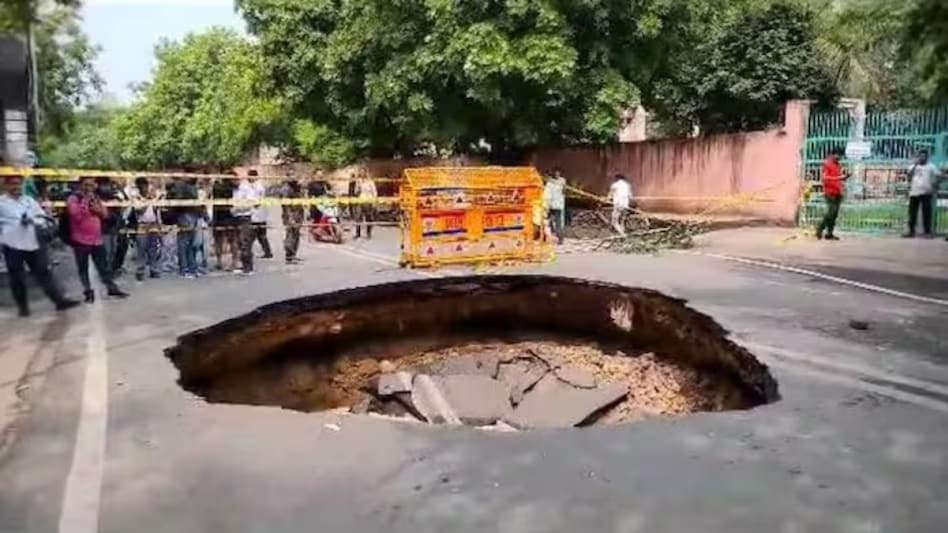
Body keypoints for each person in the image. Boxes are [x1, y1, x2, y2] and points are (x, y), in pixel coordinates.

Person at [0, 175, 79, 317]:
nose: (16, 187)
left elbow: (42, 218)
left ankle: (59, 301)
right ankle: (23, 307)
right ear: (6, 186)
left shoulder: (29, 201)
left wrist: (33, 221)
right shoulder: (1, 203)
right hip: (12, 244)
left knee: (44, 273)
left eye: (18, 184)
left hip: (33, 242)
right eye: (12, 184)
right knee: (17, 278)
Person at [68, 176, 129, 303]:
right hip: (80, 240)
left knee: (104, 267)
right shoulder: (74, 199)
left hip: (96, 239)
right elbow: (75, 216)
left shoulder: (96, 198)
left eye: (92, 185)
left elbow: (105, 215)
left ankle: (111, 288)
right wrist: (86, 203)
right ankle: (88, 292)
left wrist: (98, 210)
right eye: (87, 185)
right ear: (81, 185)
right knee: (83, 268)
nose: (89, 188)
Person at [903, 149, 944, 239]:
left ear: (927, 157)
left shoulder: (931, 167)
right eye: (920, 156)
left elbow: (939, 176)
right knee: (912, 213)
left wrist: (935, 184)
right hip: (914, 192)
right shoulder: (913, 166)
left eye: (924, 156)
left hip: (926, 192)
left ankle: (927, 232)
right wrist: (915, 165)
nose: (922, 158)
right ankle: (911, 231)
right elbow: (909, 176)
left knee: (927, 213)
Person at [167, 177, 201, 278]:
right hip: (186, 214)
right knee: (185, 243)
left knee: (189, 243)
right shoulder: (183, 186)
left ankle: (190, 268)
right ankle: (185, 269)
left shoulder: (188, 186)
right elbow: (178, 201)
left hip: (189, 215)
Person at [131, 177, 163, 281]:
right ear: (139, 187)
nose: (145, 188)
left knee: (153, 249)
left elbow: (156, 211)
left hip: (153, 224)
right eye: (143, 186)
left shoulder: (152, 196)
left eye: (146, 186)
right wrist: (147, 201)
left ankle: (154, 270)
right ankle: (140, 271)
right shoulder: (136, 198)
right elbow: (139, 211)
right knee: (141, 249)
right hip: (142, 225)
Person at [817, 149, 849, 241]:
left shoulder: (838, 165)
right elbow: (825, 177)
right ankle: (819, 229)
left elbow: (838, 179)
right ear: (833, 154)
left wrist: (844, 178)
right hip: (829, 192)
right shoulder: (827, 164)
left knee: (834, 214)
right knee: (831, 212)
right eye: (838, 155)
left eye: (841, 156)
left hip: (837, 191)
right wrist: (839, 177)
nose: (839, 157)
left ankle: (829, 233)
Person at [211, 176, 239, 271]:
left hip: (218, 216)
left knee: (218, 240)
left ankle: (219, 262)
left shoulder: (216, 188)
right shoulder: (233, 190)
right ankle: (234, 261)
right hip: (230, 216)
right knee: (232, 240)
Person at [232, 175, 257, 275]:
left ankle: (249, 267)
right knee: (240, 243)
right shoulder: (236, 190)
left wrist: (237, 208)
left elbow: (251, 202)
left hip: (245, 217)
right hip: (237, 217)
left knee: (245, 242)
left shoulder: (246, 188)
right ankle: (244, 265)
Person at [249, 170, 273, 259]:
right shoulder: (258, 186)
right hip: (260, 215)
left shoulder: (257, 187)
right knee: (261, 235)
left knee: (252, 235)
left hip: (257, 215)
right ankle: (268, 252)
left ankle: (247, 251)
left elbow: (256, 202)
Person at [282, 179, 305, 264]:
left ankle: (293, 255)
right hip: (290, 215)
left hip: (298, 214)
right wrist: (290, 217)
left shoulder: (297, 188)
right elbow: (286, 206)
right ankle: (289, 257)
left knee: (296, 235)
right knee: (290, 235)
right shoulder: (286, 189)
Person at [545, 168, 567, 244]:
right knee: (551, 222)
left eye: (558, 173)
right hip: (554, 205)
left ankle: (559, 238)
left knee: (556, 222)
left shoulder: (558, 182)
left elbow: (563, 192)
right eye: (556, 173)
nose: (557, 174)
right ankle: (554, 237)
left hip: (556, 205)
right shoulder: (552, 182)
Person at [355, 170, 378, 240]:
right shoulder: (359, 181)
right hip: (361, 200)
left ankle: (368, 233)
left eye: (363, 172)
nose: (361, 174)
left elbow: (374, 192)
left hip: (368, 201)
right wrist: (358, 186)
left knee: (368, 217)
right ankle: (358, 234)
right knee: (358, 217)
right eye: (360, 172)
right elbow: (356, 192)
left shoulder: (370, 182)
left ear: (365, 173)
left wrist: (374, 201)